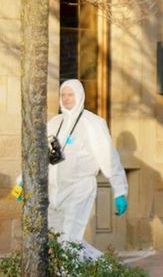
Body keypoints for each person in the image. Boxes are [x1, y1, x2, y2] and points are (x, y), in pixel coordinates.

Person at [11, 80, 128, 260]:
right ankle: (103, 269)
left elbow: (108, 158)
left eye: (70, 94)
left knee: (69, 240)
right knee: (59, 241)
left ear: (79, 95)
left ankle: (72, 276)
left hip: (79, 189)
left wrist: (120, 190)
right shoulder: (55, 123)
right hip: (55, 191)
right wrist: (23, 181)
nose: (66, 98)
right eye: (63, 95)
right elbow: (38, 154)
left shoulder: (93, 123)